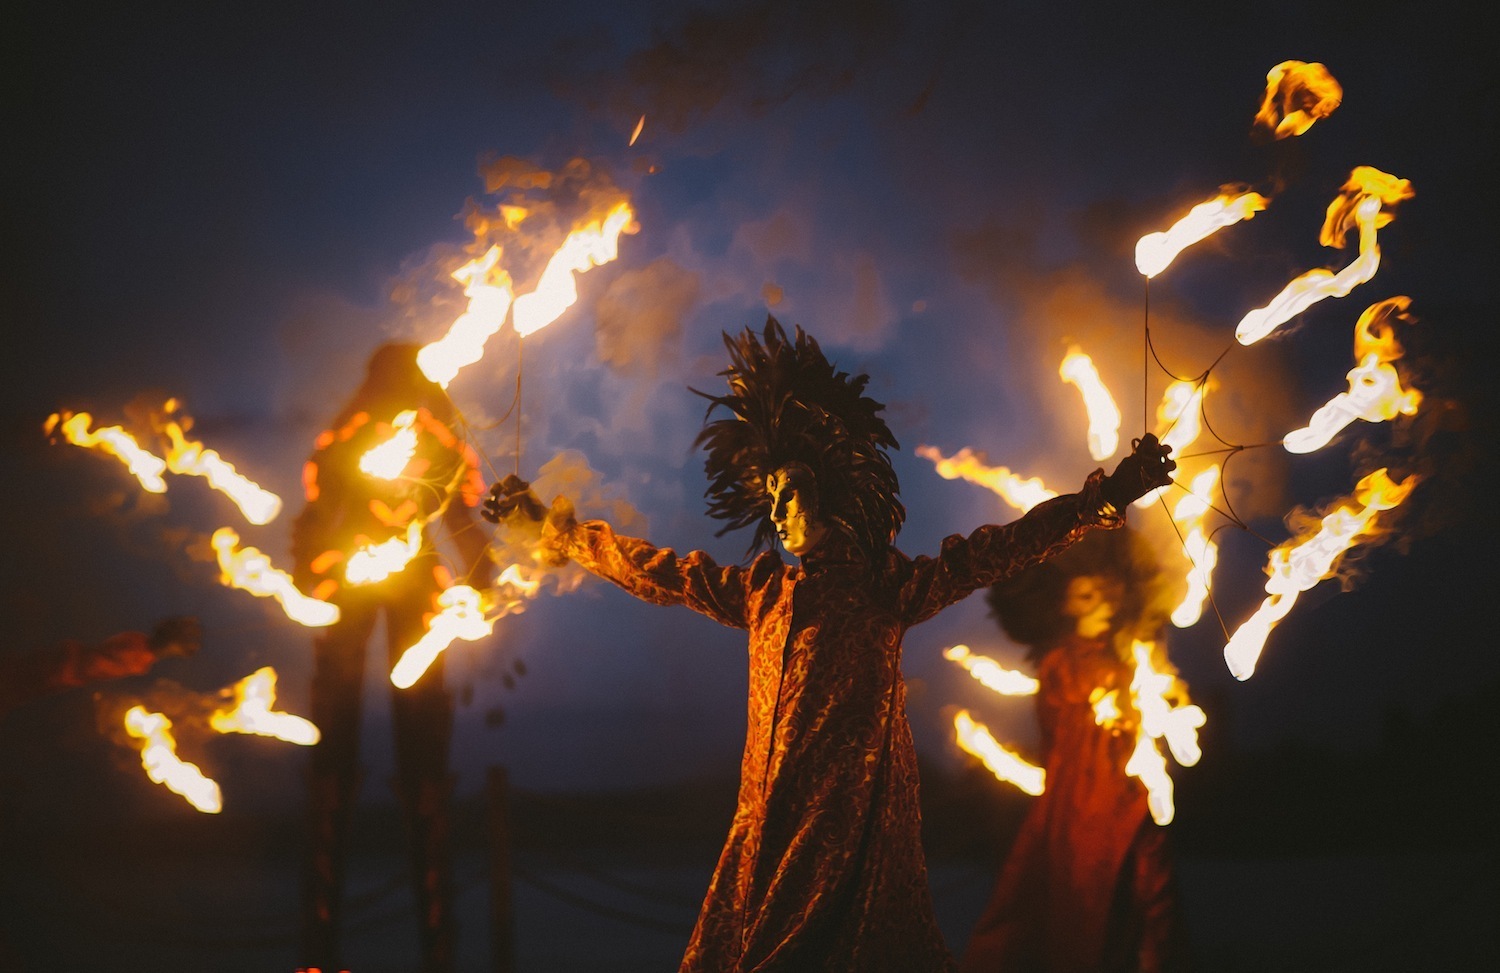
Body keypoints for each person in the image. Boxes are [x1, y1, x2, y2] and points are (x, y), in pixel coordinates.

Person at [484, 318, 1175, 972]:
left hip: (848, 838)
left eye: (791, 491)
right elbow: (656, 569)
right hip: (765, 831)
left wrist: (1106, 495)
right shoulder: (763, 594)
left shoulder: (888, 589)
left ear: (835, 490)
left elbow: (1003, 548)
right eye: (772, 496)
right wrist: (556, 528)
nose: (778, 512)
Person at [291, 343, 494, 973]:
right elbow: (317, 516)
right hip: (357, 585)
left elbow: (461, 519)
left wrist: (482, 579)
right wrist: (311, 575)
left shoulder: (428, 441)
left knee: (417, 748)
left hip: (407, 589)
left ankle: (430, 938)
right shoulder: (349, 440)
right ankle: (331, 939)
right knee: (342, 750)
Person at [959, 527, 1191, 973]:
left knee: (1151, 898)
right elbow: (1079, 711)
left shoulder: (1128, 657)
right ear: (1063, 606)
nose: (1102, 603)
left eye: (1104, 593)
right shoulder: (1060, 665)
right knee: (1079, 910)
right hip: (1081, 806)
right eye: (1086, 597)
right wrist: (1121, 699)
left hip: (1128, 794)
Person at [0, 616, 201, 719]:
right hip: (46, 673)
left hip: (46, 673)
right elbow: (91, 666)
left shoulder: (138, 644)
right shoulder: (137, 652)